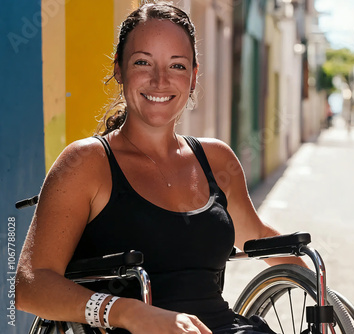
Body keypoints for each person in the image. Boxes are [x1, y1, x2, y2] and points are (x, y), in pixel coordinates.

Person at [15, 2, 305, 334]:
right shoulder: (86, 163)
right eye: (142, 62)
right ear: (119, 70)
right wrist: (128, 313)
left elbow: (257, 236)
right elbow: (29, 284)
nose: (160, 80)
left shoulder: (216, 159)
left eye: (177, 66)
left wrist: (321, 291)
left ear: (193, 77)